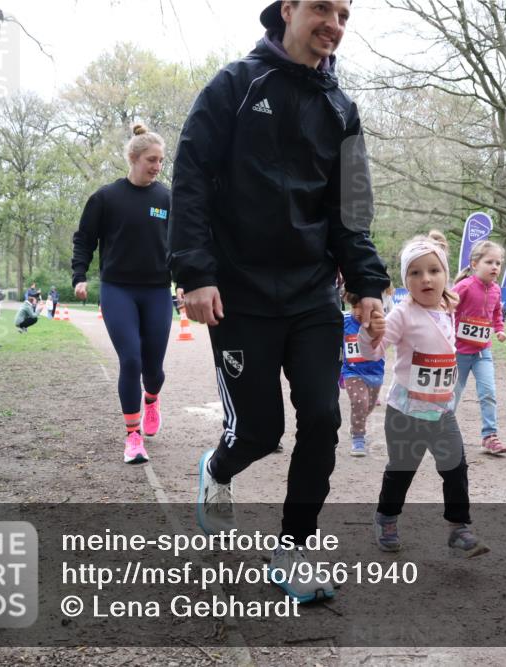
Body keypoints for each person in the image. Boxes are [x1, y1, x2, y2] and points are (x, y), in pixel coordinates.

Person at [168, 0, 389, 604]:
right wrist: (195, 273)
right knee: (259, 432)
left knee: (322, 417)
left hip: (312, 293)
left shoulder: (342, 109)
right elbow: (190, 178)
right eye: (322, 8)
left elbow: (352, 210)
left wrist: (367, 285)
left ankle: (293, 549)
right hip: (237, 293)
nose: (334, 24)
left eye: (344, 14)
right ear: (287, 9)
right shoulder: (235, 85)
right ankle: (217, 469)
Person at [359, 238, 490, 558]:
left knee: (455, 467)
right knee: (402, 470)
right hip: (405, 412)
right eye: (415, 273)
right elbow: (373, 352)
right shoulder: (402, 314)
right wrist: (370, 332)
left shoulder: (448, 308)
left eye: (434, 270)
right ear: (406, 280)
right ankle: (386, 518)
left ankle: (459, 528)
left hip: (441, 410)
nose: (426, 279)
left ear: (445, 274)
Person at [72, 123, 173, 465]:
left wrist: (186, 280)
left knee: (153, 369)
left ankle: (152, 400)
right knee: (131, 359)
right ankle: (133, 436)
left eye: (161, 160)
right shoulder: (106, 198)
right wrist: (79, 276)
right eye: (151, 160)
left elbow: (180, 244)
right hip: (118, 289)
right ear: (133, 158)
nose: (157, 166)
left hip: (157, 291)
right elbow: (84, 239)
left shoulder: (166, 199)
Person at [452, 240, 506, 455]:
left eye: (498, 263)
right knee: (452, 395)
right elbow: (446, 308)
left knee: (488, 392)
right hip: (459, 353)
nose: (495, 267)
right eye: (489, 262)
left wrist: (499, 329)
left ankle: (490, 436)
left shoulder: (496, 290)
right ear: (475, 264)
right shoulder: (464, 286)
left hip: (483, 352)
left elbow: (496, 313)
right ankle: (441, 431)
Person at [341, 291, 385, 456]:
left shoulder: (381, 322)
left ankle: (356, 424)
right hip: (352, 371)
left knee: (368, 406)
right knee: (360, 402)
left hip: (375, 372)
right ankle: (358, 437)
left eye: (363, 307)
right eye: (355, 307)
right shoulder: (344, 321)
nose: (358, 312)